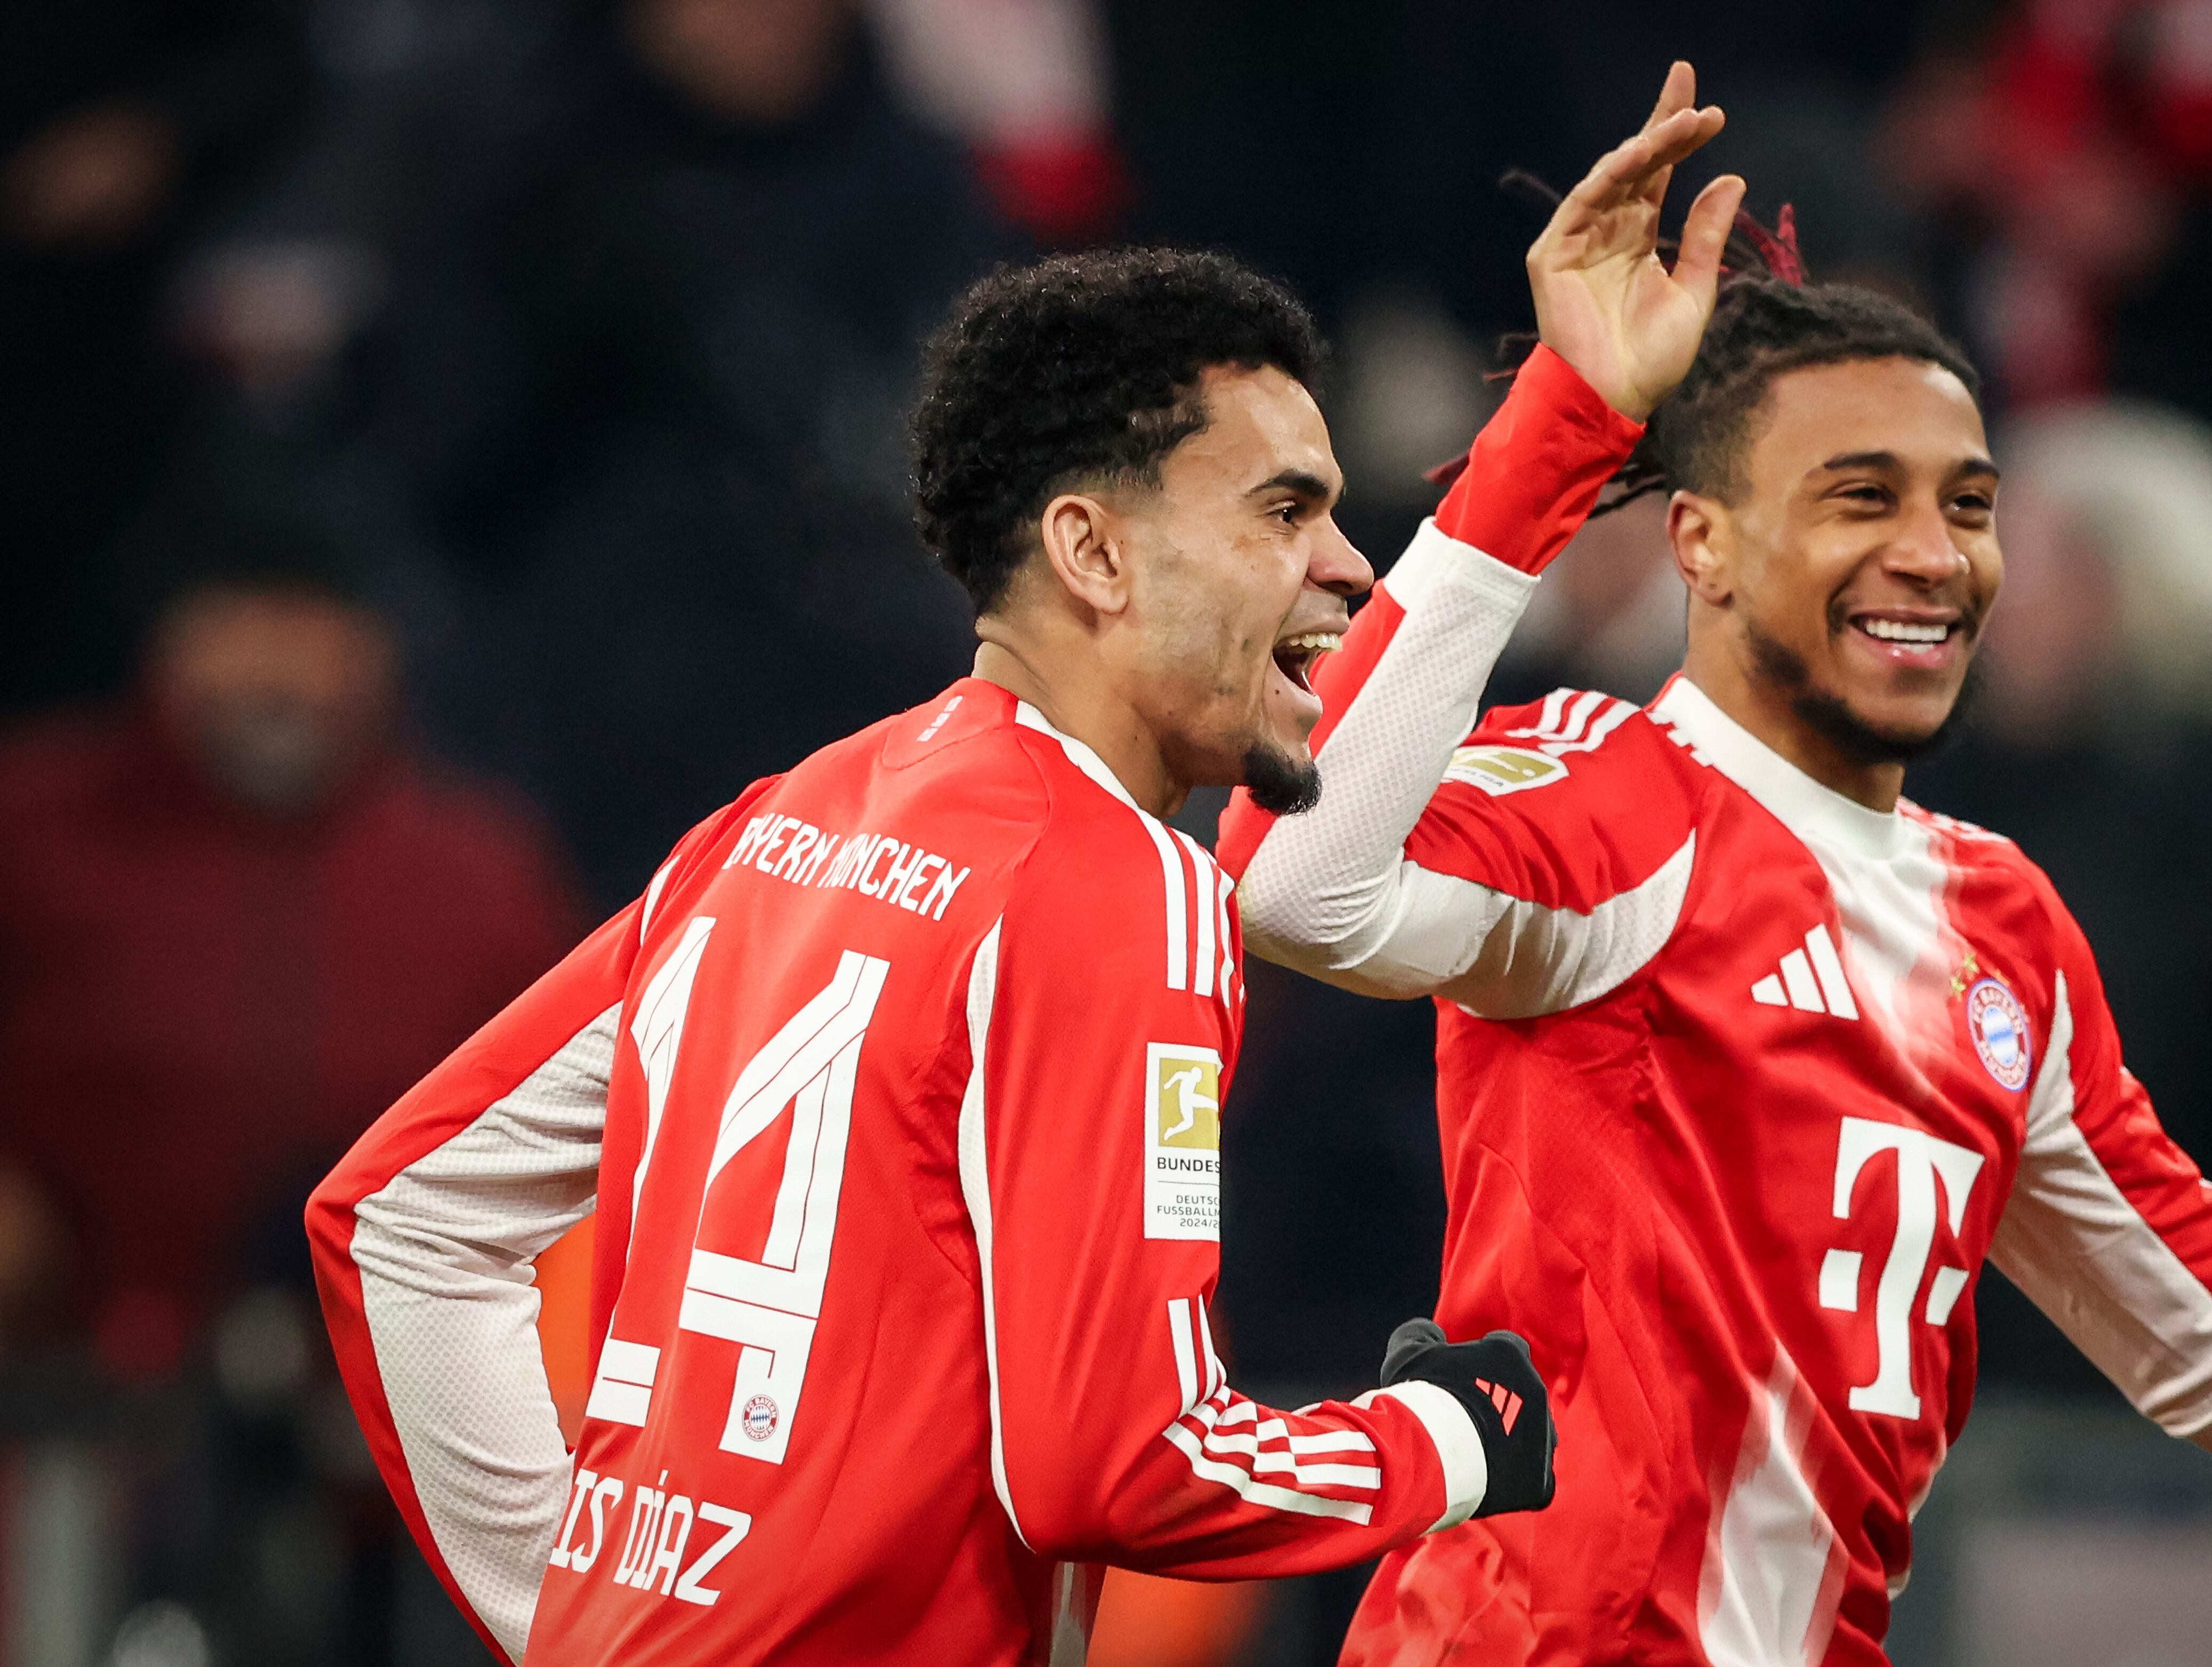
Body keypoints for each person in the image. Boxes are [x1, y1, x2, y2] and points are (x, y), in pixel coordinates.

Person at [301, 70, 1749, 1661]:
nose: (1345, 563)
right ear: (1095, 552)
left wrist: (574, 1622)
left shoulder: (775, 826)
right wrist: (1451, 1438)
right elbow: (1122, 1465)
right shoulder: (1117, 885)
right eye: (1286, 510)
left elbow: (403, 1222)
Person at [1216, 148, 2212, 1667]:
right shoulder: (1610, 795)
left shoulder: (1999, 920)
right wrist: (1561, 425)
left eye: (1966, 503)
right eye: (1861, 497)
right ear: (1702, 541)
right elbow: (1294, 881)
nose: (1931, 552)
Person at [0, 548, 579, 1373]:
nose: (277, 672)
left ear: (379, 653)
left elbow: (587, 1131)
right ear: (167, 642)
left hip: (386, 1405)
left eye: (313, 628)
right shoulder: (31, 830)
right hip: (67, 1387)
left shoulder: (489, 876)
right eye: (239, 624)